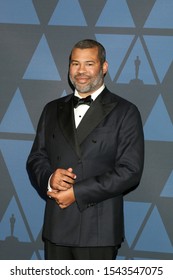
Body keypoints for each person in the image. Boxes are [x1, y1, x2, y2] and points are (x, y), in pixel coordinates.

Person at [27, 39, 144, 260]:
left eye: (89, 63)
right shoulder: (52, 109)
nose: (81, 71)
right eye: (75, 63)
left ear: (104, 67)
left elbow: (130, 171)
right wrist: (50, 178)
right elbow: (36, 157)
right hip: (56, 227)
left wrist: (76, 193)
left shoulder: (125, 112)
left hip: (98, 230)